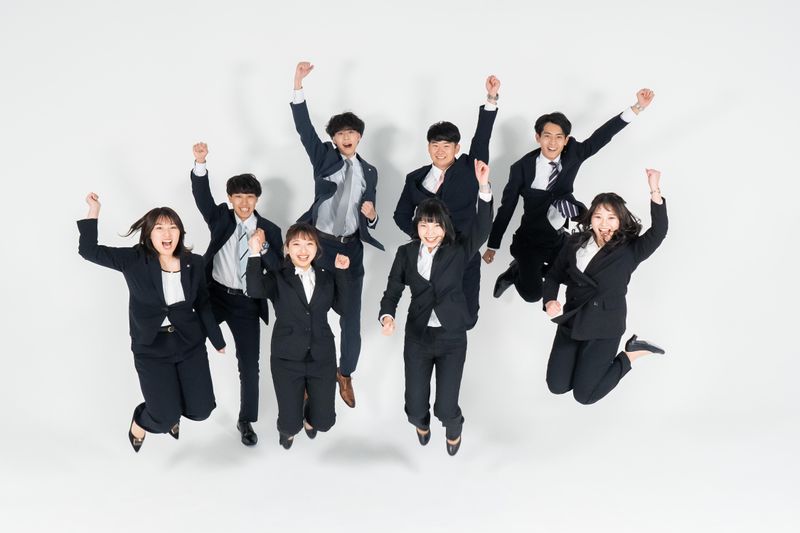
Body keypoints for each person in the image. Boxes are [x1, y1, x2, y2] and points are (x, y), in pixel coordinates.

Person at [77, 193, 226, 452]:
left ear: (180, 233)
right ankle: (142, 420)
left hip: (189, 343)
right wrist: (94, 209)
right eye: (159, 228)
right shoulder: (134, 260)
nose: (167, 233)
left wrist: (217, 339)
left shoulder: (194, 262)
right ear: (148, 234)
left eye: (172, 227)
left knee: (202, 411)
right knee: (164, 418)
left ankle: (171, 410)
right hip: (151, 346)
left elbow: (202, 303)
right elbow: (89, 251)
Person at [484, 88, 655, 303]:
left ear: (566, 140)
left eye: (559, 137)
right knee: (533, 295)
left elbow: (602, 136)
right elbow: (506, 208)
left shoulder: (573, 154)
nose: (552, 143)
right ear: (538, 137)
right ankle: (516, 271)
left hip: (558, 237)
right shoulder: (521, 168)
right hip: (531, 240)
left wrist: (636, 108)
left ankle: (541, 269)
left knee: (579, 276)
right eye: (547, 136)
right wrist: (493, 245)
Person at [380, 160, 493, 456]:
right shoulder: (405, 253)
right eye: (424, 224)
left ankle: (454, 427)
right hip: (417, 337)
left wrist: (483, 186)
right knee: (414, 408)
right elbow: (393, 290)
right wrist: (387, 316)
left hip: (451, 337)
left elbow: (482, 227)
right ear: (417, 226)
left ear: (445, 226)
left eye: (436, 225)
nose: (430, 231)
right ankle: (421, 424)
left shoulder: (459, 250)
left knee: (445, 407)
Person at [290, 61, 384, 409]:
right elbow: (304, 128)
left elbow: (370, 212)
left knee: (351, 319)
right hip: (318, 247)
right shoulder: (323, 159)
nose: (346, 138)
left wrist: (372, 216)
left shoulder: (370, 171)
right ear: (333, 139)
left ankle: (345, 373)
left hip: (351, 249)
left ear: (359, 137)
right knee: (309, 315)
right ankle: (307, 376)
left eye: (351, 133)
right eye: (340, 133)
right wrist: (298, 85)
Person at [542, 169, 668, 405]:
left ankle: (631, 354)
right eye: (598, 217)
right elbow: (553, 275)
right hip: (572, 321)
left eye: (611, 218)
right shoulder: (574, 243)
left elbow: (659, 232)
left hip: (605, 327)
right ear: (590, 219)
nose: (604, 224)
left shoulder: (630, 249)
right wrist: (549, 300)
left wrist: (654, 190)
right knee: (557, 385)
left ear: (620, 221)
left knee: (584, 396)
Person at [189, 142, 283, 446]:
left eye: (250, 197)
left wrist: (263, 246)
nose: (244, 203)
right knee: (187, 338)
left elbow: (279, 268)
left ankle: (246, 420)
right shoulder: (220, 218)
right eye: (238, 197)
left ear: (257, 199)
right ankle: (184, 402)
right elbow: (202, 198)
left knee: (249, 366)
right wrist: (200, 164)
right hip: (215, 296)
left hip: (247, 303)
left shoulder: (270, 229)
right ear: (230, 199)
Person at [393, 75, 500, 329]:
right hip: (430, 254)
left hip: (465, 250)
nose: (440, 151)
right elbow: (400, 215)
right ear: (428, 147)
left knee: (468, 317)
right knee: (429, 314)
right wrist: (423, 236)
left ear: (456, 148)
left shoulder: (469, 168)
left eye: (446, 146)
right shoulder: (415, 178)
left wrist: (491, 99)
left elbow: (482, 138)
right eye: (435, 145)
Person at [245, 223, 349, 449]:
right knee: (289, 425)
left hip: (322, 357)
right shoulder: (278, 277)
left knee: (325, 422)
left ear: (317, 248)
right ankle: (288, 430)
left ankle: (309, 415)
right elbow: (254, 290)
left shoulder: (326, 276)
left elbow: (342, 307)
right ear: (287, 248)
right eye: (297, 244)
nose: (303, 250)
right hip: (287, 359)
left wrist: (341, 273)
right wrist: (254, 252)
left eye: (309, 244)